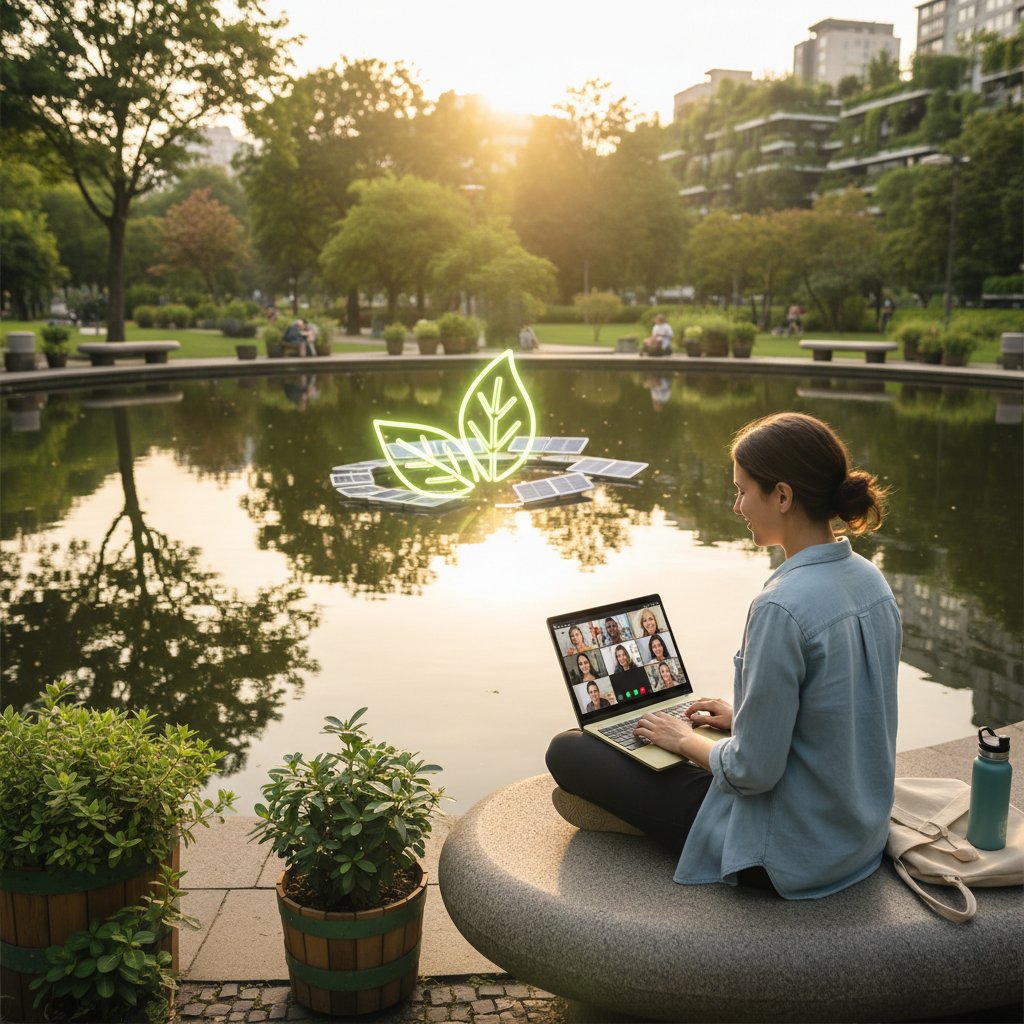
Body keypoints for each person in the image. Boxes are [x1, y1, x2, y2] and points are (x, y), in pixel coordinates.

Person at [546, 412, 900, 900]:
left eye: (742, 491)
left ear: (782, 495)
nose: (737, 506)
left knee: (569, 749)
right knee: (623, 744)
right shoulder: (871, 582)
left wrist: (684, 738)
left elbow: (753, 773)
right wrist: (743, 720)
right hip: (857, 836)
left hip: (788, 853)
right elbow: (844, 715)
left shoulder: (781, 606)